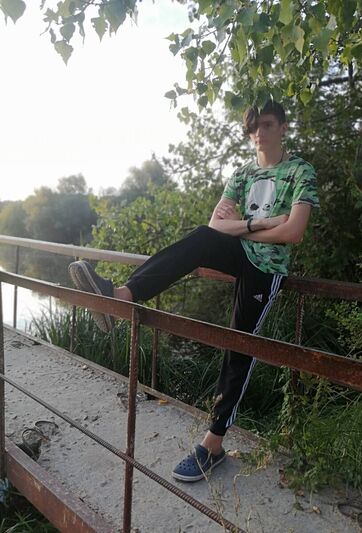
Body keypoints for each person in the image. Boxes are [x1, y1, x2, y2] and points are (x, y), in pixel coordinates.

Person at [69, 101, 320, 482]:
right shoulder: (243, 173)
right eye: (253, 127)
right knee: (201, 238)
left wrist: (244, 226)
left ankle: (213, 445)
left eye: (267, 125)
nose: (259, 134)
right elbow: (216, 226)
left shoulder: (300, 171)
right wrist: (264, 222)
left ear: (283, 127)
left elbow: (294, 232)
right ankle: (121, 296)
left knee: (239, 345)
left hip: (266, 268)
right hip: (241, 252)